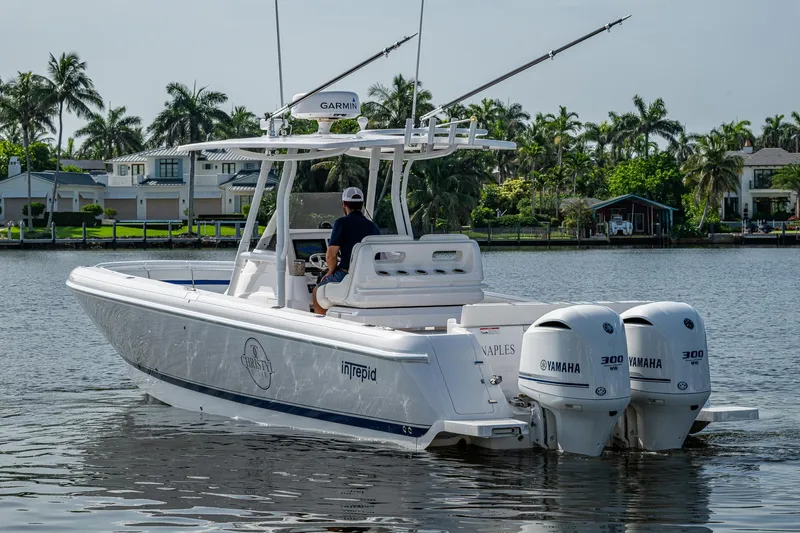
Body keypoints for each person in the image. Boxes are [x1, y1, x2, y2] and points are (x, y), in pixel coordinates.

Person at [312, 187, 380, 314]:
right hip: (368, 277)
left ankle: (321, 322)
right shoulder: (373, 226)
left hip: (346, 274)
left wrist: (330, 271)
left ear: (344, 204)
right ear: (362, 204)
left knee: (317, 291)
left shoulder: (341, 223)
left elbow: (331, 255)